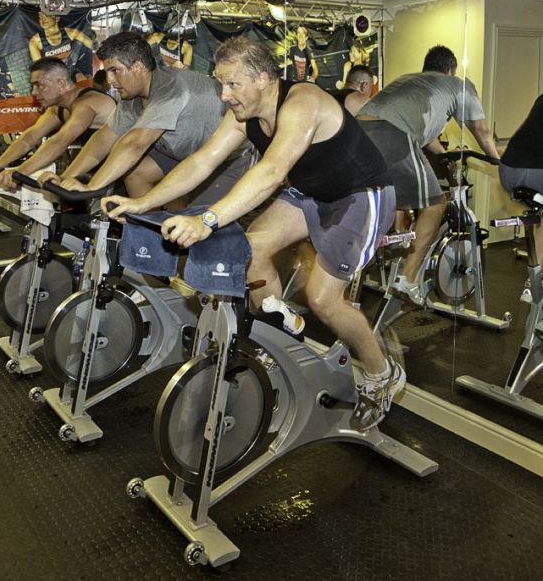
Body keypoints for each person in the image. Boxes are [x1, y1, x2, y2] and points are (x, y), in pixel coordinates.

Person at [103, 36, 403, 432]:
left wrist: (207, 220)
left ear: (263, 78)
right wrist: (144, 203)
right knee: (250, 253)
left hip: (360, 197)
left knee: (323, 300)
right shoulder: (244, 113)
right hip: (310, 193)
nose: (224, 95)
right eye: (220, 84)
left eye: (231, 84)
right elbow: (203, 160)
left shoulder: (303, 102)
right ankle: (285, 340)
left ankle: (382, 374)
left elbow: (271, 172)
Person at [357, 44, 499, 305]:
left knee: (388, 199)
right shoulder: (457, 84)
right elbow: (481, 130)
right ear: (450, 70)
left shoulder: (411, 81)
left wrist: (445, 159)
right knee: (435, 204)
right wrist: (496, 161)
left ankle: (368, 262)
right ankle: (408, 278)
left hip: (357, 134)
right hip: (392, 134)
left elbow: (427, 134)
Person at [47, 32, 250, 206]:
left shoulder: (170, 88)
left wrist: (91, 187)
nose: (109, 80)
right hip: (184, 153)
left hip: (226, 159)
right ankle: (151, 240)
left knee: (199, 224)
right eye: (107, 72)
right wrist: (66, 178)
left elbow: (135, 143)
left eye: (115, 71)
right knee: (137, 174)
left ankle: (178, 238)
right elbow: (104, 139)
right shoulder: (133, 94)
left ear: (138, 67)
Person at [0, 57, 115, 188]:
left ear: (61, 83)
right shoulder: (57, 108)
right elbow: (31, 137)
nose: (34, 92)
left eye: (39, 85)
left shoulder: (87, 103)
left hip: (121, 171)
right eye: (32, 86)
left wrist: (19, 173)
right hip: (96, 169)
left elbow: (59, 141)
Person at [499, 93, 543, 269]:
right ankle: (536, 280)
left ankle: (535, 280)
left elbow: (521, 133)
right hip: (536, 172)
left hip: (508, 171)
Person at [29, 12, 93, 82]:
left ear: (56, 18)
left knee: (82, 79)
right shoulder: (35, 41)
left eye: (47, 16)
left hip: (70, 71)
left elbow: (89, 43)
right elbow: (38, 67)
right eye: (40, 17)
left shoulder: (70, 33)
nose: (43, 20)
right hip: (52, 75)